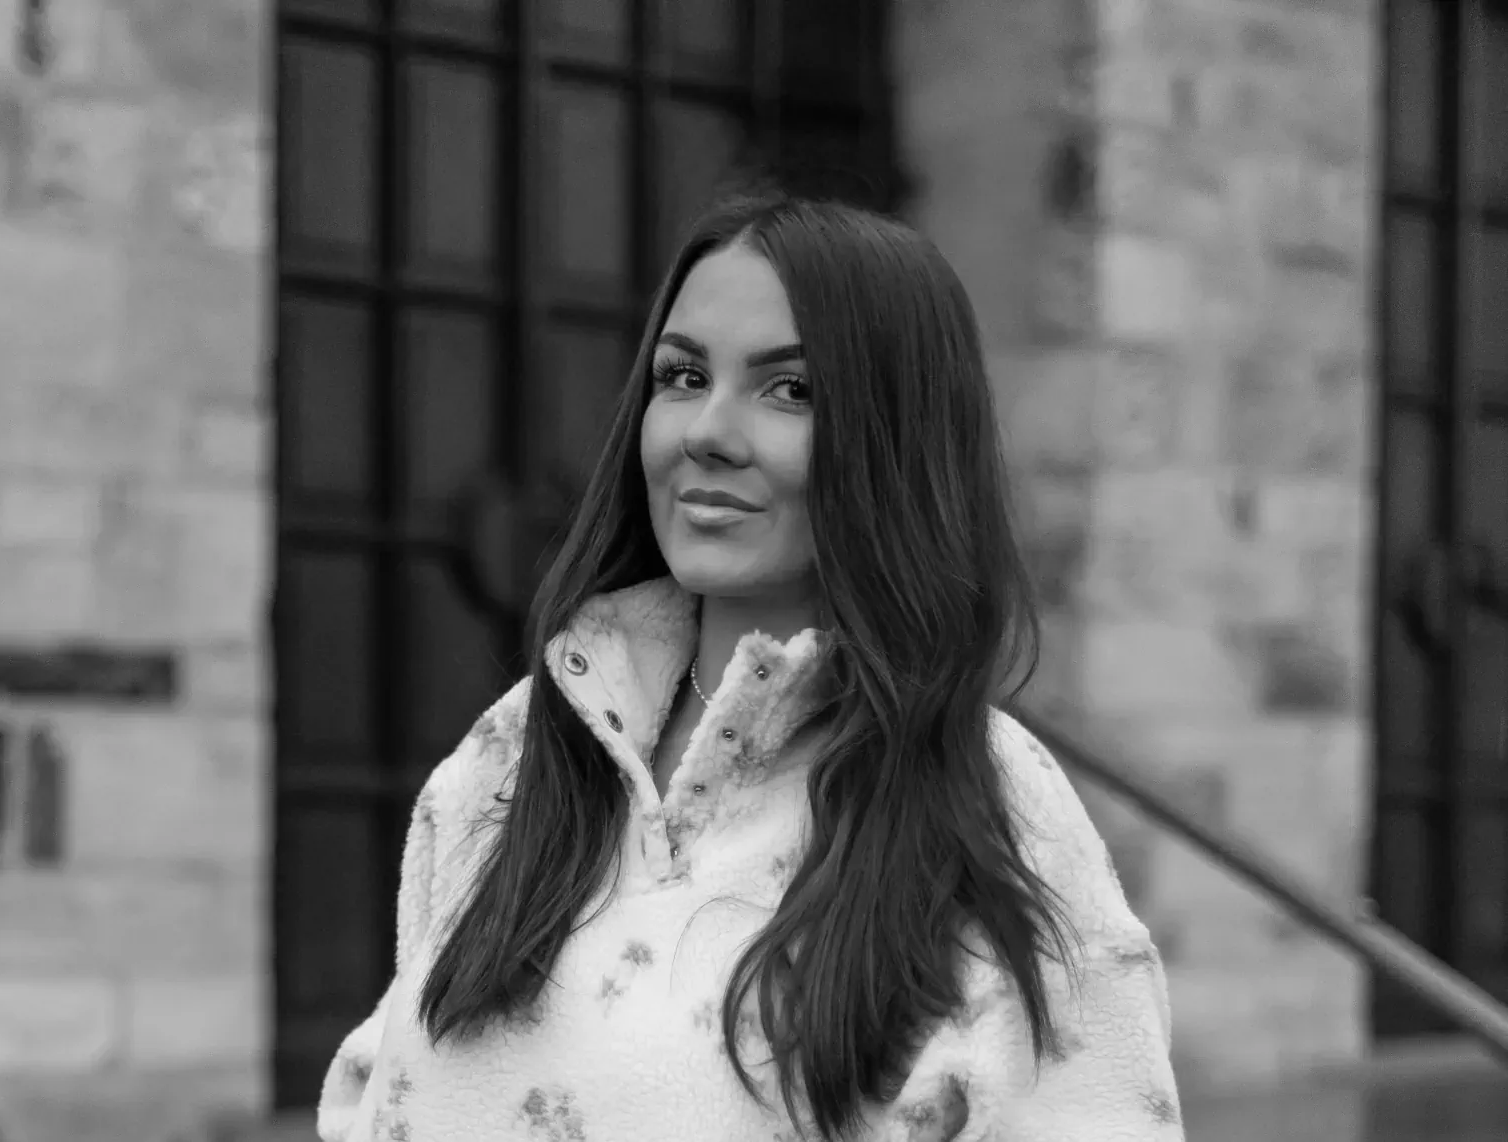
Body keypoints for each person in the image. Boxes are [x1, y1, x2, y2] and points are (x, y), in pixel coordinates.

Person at [317, 190, 1183, 1142]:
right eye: (683, 376)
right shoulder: (515, 749)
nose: (706, 431)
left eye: (790, 390)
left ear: (897, 435)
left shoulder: (987, 800)